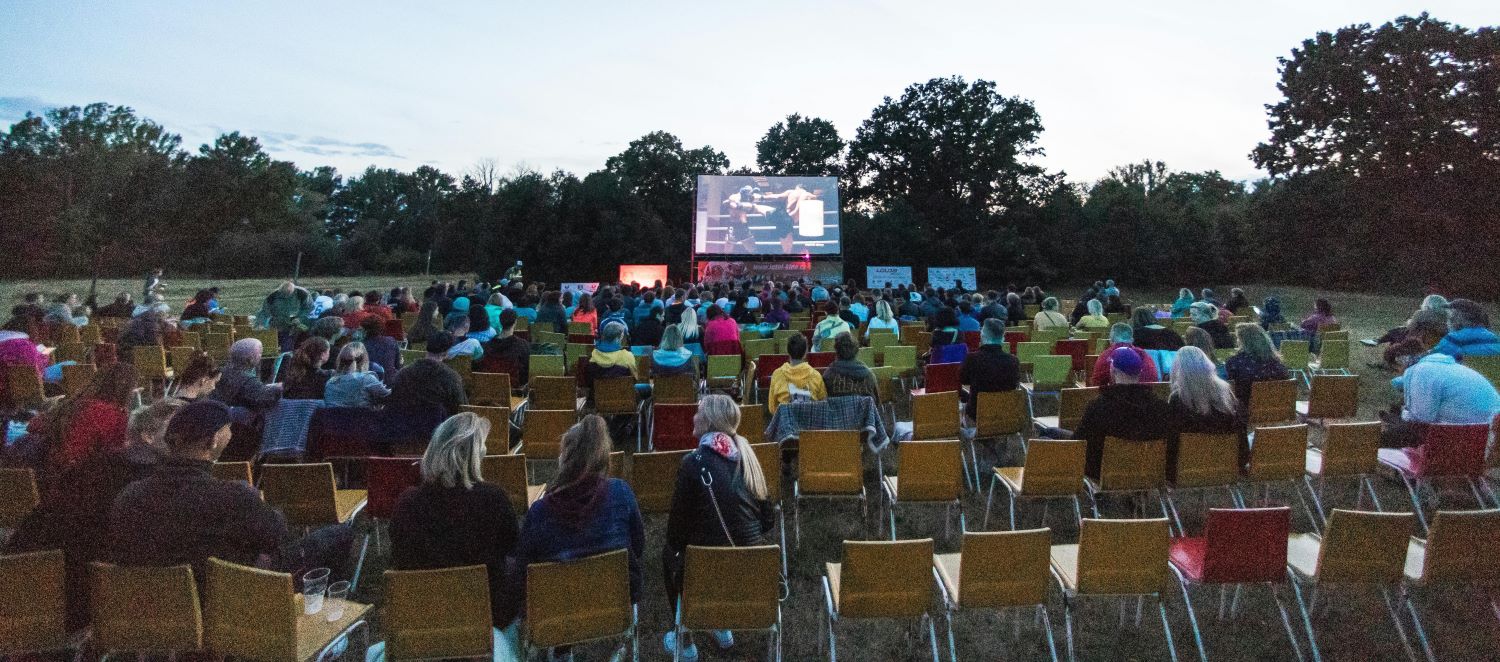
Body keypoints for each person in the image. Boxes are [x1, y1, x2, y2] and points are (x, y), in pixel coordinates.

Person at [107, 400, 352, 583]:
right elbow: (279, 536)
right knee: (339, 534)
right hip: (227, 601)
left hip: (154, 608)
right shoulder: (232, 497)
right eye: (229, 429)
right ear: (213, 440)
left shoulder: (130, 495)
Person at [4, 400, 182, 629]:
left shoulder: (93, 465)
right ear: (147, 436)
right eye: (177, 432)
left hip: (26, 585)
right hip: (86, 604)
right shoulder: (151, 483)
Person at [660, 395, 773, 659]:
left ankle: (685, 640)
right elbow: (768, 520)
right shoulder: (749, 458)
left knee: (669, 555)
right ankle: (720, 626)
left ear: (709, 421)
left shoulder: (692, 463)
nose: (693, 417)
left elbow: (674, 536)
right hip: (753, 572)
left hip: (706, 572)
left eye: (698, 413)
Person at [390, 412, 521, 628]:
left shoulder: (407, 504)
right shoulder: (494, 499)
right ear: (476, 454)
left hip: (423, 618)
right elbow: (512, 548)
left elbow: (400, 559)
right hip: (487, 616)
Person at [515, 415, 646, 608]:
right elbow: (638, 545)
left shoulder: (539, 512)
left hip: (556, 607)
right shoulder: (621, 493)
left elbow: (524, 567)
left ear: (565, 458)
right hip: (616, 601)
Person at [1381, 315, 1500, 447]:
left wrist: (1403, 415)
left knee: (1394, 437)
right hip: (1490, 433)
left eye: (1395, 368)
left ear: (1401, 361)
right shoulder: (1445, 366)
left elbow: (1420, 422)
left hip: (1474, 443)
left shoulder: (1420, 371)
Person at [1068, 348, 1174, 480]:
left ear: (1112, 370)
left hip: (1103, 474)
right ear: (1140, 373)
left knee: (1050, 434)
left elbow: (1077, 444)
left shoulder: (1099, 407)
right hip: (1146, 473)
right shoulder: (1160, 408)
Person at [26, 362, 138, 470]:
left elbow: (32, 425)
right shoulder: (115, 415)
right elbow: (118, 453)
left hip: (48, 471)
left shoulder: (76, 403)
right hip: (78, 477)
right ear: (127, 390)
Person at [1166, 346, 1243, 477]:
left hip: (1186, 468)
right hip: (1225, 464)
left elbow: (1173, 441)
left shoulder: (1178, 399)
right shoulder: (1226, 393)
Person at [389, 332, 468, 417]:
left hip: (405, 423)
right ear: (446, 353)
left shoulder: (403, 373)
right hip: (437, 427)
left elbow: (394, 399)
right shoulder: (452, 378)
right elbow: (462, 408)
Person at [958, 319, 1021, 422]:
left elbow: (963, 380)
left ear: (982, 336)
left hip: (977, 413)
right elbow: (1014, 384)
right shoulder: (1014, 361)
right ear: (1003, 337)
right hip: (1006, 414)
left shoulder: (972, 359)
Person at [1224, 323, 1291, 406]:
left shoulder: (1234, 363)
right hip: (1278, 412)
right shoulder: (1278, 363)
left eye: (1238, 338)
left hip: (1246, 413)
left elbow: (1230, 390)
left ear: (1243, 341)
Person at [211, 338, 282, 411]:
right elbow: (263, 399)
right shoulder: (248, 380)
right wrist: (279, 388)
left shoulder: (220, 372)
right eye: (260, 353)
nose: (261, 356)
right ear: (250, 359)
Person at [767, 333, 826, 413]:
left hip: (785, 424)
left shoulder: (777, 375)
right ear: (805, 352)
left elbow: (772, 408)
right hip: (810, 424)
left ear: (787, 351)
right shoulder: (816, 376)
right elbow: (823, 404)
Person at [1089, 324, 1159, 387]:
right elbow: (1154, 378)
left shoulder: (1105, 355)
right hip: (1146, 396)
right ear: (1132, 340)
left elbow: (1096, 384)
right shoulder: (1143, 354)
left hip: (1116, 398)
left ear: (1111, 341)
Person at [324, 342, 391, 407]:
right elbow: (390, 397)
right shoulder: (366, 379)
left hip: (333, 418)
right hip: (360, 417)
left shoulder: (329, 383)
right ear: (363, 360)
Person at [1432, 298, 1500, 359]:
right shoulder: (1495, 339)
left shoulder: (1453, 339)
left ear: (1458, 319)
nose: (1448, 321)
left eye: (1450, 317)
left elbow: (1427, 359)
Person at [477, 309, 531, 384]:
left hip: (491, 385)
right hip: (515, 390)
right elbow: (526, 371)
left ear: (500, 321)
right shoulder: (523, 345)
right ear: (515, 322)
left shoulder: (487, 346)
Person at [257, 281, 313, 352]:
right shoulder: (272, 296)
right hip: (276, 326)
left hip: (292, 328)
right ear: (280, 290)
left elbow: (309, 308)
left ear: (293, 290)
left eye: (288, 294)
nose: (286, 297)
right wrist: (260, 324)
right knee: (271, 349)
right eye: (283, 294)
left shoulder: (302, 294)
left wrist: (300, 318)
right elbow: (264, 312)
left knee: (286, 350)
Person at [822, 333, 878, 400]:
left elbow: (823, 400)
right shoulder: (869, 375)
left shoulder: (828, 375)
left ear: (836, 351)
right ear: (857, 351)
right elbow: (876, 404)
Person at [586, 321, 640, 387]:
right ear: (619, 338)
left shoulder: (592, 355)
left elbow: (588, 382)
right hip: (623, 395)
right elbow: (635, 379)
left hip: (596, 396)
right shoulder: (627, 356)